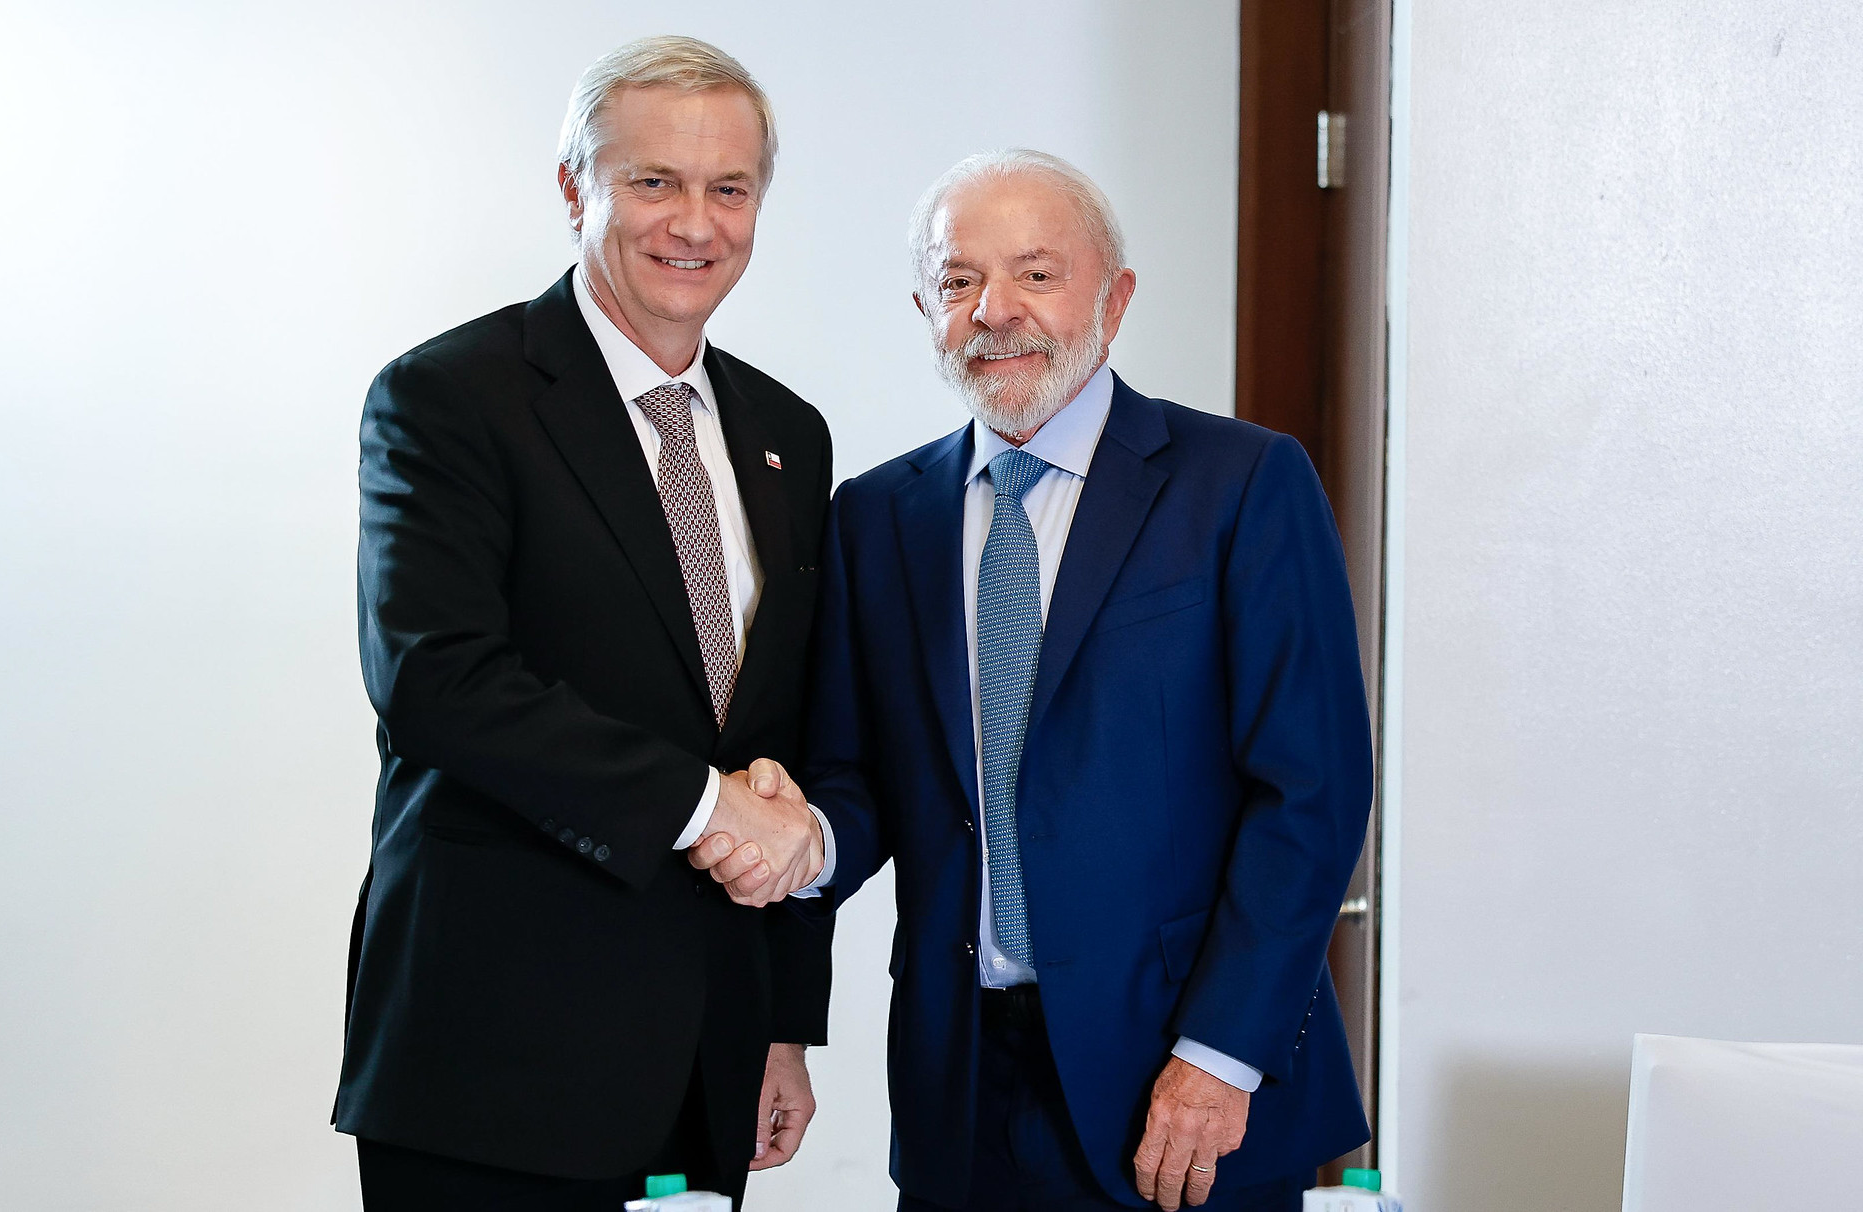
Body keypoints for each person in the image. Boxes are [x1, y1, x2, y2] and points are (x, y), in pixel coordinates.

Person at [693, 150, 1373, 1210]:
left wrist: (1218, 1057)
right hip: (960, 1085)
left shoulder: (1239, 485)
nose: (993, 311)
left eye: (1035, 274)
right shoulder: (878, 519)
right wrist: (808, 844)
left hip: (1182, 1081)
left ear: (1114, 299)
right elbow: (853, 776)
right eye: (957, 281)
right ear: (924, 307)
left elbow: (1311, 795)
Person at [334, 36, 833, 1211]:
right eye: (652, 182)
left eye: (729, 189)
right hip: (492, 1056)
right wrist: (707, 805)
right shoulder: (449, 398)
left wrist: (782, 1024)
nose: (694, 225)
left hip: (706, 1046)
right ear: (574, 188)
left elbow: (786, 732)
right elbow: (434, 679)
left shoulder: (786, 432)